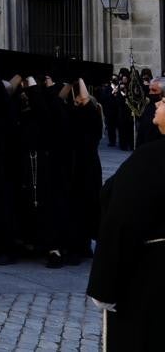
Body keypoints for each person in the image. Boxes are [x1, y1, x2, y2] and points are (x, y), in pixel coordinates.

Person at [87, 96, 165, 351]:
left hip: (149, 278)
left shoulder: (150, 158)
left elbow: (121, 221)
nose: (159, 102)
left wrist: (104, 287)